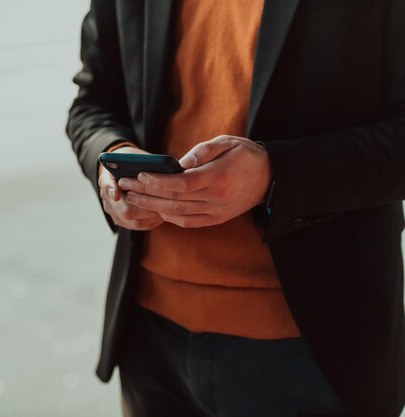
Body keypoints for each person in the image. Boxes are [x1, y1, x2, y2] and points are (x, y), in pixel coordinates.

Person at [67, 1, 405, 416]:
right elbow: (92, 103)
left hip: (309, 348)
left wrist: (273, 174)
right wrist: (113, 162)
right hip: (149, 337)